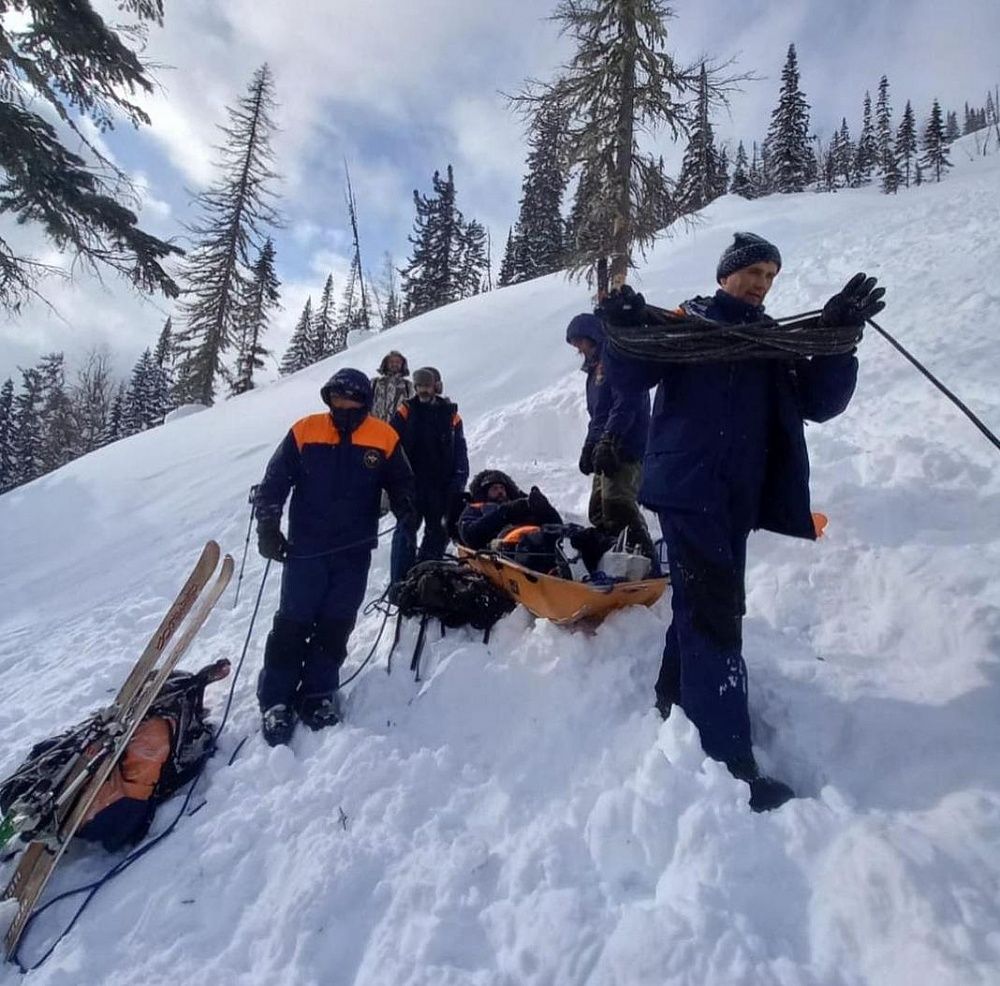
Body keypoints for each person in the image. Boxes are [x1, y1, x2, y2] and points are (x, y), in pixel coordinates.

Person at [602, 232, 885, 812]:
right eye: (752, 271)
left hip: (737, 497)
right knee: (716, 614)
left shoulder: (771, 342)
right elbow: (631, 378)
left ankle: (674, 691)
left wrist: (837, 340)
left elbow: (819, 403)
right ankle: (728, 758)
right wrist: (625, 329)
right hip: (689, 490)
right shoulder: (685, 326)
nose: (761, 283)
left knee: (702, 601)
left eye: (771, 275)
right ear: (725, 274)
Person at [254, 368, 415, 746]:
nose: (344, 404)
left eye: (352, 398)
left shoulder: (384, 435)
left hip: (354, 551)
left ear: (364, 401)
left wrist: (408, 508)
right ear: (328, 398)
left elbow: (402, 483)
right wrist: (267, 525)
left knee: (336, 624)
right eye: (337, 397)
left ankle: (319, 694)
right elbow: (274, 482)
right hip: (305, 549)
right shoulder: (305, 430)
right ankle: (276, 699)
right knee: (293, 623)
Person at [565, 312, 654, 561]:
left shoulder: (617, 358)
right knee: (598, 510)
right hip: (606, 445)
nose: (579, 349)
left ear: (591, 335)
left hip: (626, 444)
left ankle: (644, 558)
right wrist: (590, 445)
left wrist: (610, 438)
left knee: (617, 503)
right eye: (575, 345)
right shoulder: (595, 371)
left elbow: (627, 401)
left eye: (580, 341)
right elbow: (599, 413)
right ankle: (613, 556)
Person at [389, 367, 469, 586]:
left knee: (439, 532)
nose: (423, 390)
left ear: (437, 386)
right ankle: (399, 583)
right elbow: (390, 445)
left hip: (441, 487)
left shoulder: (451, 414)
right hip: (410, 485)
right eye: (419, 385)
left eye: (427, 385)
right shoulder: (405, 411)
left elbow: (460, 451)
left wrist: (458, 481)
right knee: (405, 531)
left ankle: (424, 578)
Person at [458, 470, 566, 571]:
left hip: (539, 536)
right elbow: (470, 534)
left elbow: (556, 524)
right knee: (530, 546)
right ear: (485, 492)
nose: (500, 491)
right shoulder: (476, 508)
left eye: (502, 488)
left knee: (565, 534)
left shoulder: (522, 504)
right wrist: (506, 511)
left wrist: (546, 509)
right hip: (508, 544)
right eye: (494, 488)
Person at [370, 350, 415, 421]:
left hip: (399, 429)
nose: (394, 364)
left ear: (402, 364)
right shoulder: (374, 383)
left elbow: (413, 410)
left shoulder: (408, 386)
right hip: (376, 427)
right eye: (391, 361)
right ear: (385, 364)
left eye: (397, 362)